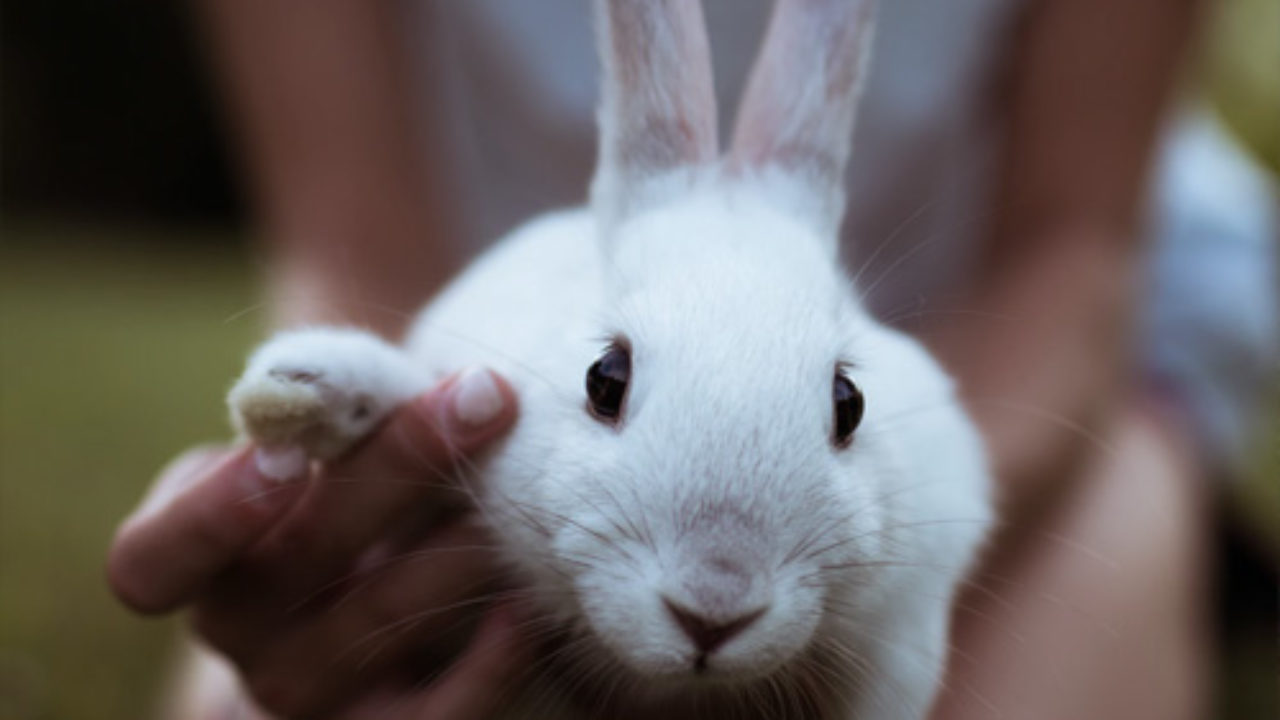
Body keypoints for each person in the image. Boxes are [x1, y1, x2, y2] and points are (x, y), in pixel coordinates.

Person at [107, 0, 1278, 718]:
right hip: (534, 278)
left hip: (1021, 342)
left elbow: (1068, 250)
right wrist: (356, 497)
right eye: (611, 387)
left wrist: (877, 605)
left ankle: (1183, 530)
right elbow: (354, 244)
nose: (709, 607)